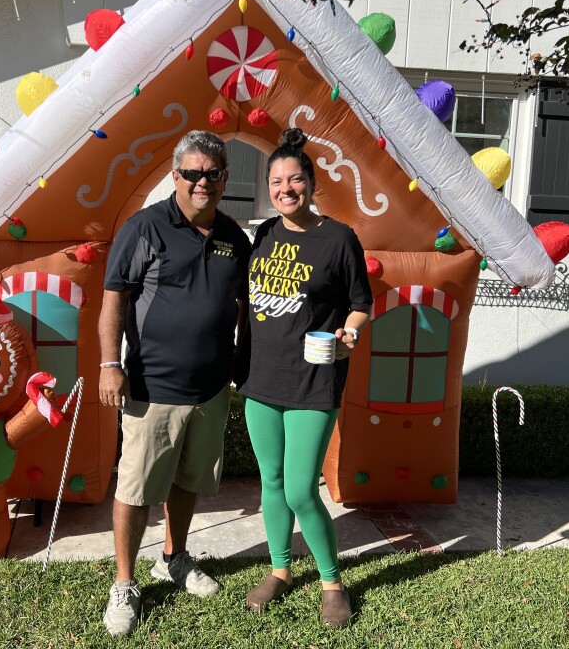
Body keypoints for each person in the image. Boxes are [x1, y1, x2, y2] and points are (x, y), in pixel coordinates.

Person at [98, 130, 252, 637]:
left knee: (190, 481)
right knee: (137, 488)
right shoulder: (145, 228)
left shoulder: (235, 237)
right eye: (191, 173)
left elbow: (244, 308)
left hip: (210, 388)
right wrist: (109, 364)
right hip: (151, 387)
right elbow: (114, 302)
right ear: (175, 176)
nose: (201, 182)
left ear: (225, 178)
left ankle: (173, 558)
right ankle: (124, 582)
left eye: (211, 173)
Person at [238, 127, 372, 627]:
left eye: (295, 180)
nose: (285, 189)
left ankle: (332, 582)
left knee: (299, 489)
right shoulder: (263, 234)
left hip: (314, 382)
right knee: (270, 482)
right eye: (276, 181)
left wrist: (347, 336)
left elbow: (363, 305)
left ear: (311, 184)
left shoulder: (339, 239)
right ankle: (280, 571)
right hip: (260, 379)